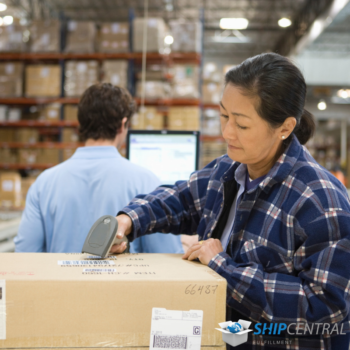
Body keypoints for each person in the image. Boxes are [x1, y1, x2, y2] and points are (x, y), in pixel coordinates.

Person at [110, 53, 350, 349]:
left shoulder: (320, 201)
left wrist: (223, 267)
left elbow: (326, 310)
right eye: (224, 116)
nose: (226, 132)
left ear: (285, 127)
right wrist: (128, 220)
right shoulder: (228, 170)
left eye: (242, 125)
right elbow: (180, 199)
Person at [14, 83, 183, 254]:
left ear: (80, 123)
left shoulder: (44, 183)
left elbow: (26, 254)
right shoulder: (146, 181)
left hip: (62, 280)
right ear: (122, 124)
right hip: (124, 281)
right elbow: (166, 255)